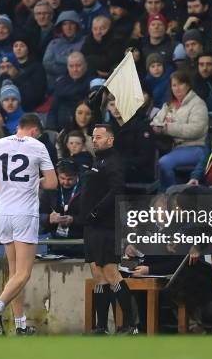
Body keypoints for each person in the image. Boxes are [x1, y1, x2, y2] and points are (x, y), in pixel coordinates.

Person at [0, 114, 57, 336]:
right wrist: (33, 183)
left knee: (14, 272)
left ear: (19, 127)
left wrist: (9, 189)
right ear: (35, 131)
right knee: (23, 273)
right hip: (25, 214)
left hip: (3, 214)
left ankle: (20, 325)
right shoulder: (38, 146)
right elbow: (52, 182)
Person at [80, 123, 137, 334]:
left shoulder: (114, 162)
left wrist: (96, 211)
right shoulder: (99, 160)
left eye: (99, 137)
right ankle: (102, 326)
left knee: (111, 272)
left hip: (106, 225)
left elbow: (116, 190)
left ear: (110, 140)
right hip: (92, 227)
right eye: (93, 137)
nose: (95, 140)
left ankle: (131, 324)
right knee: (98, 274)